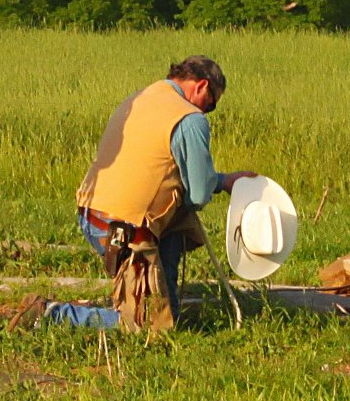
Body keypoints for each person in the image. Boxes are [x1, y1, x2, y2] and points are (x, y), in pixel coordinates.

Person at [54, 56, 254, 329]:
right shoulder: (189, 118)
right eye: (212, 104)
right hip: (124, 231)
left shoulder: (142, 97)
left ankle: (164, 301)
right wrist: (225, 181)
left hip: (92, 214)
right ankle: (53, 315)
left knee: (175, 229)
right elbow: (198, 194)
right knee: (147, 328)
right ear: (202, 86)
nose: (208, 111)